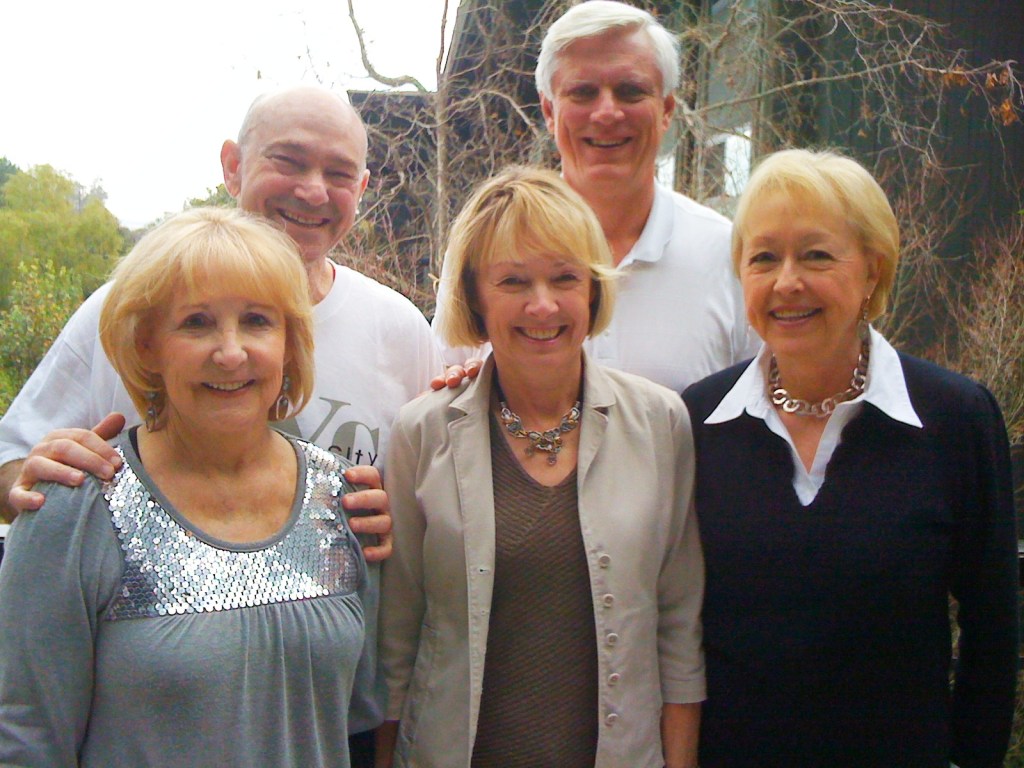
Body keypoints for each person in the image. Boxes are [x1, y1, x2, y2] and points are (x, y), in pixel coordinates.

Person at [0, 85, 444, 766]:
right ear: (233, 166)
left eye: (337, 172)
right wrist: (41, 488)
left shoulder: (399, 333)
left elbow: (433, 498)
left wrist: (395, 524)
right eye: (289, 161)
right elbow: (27, 726)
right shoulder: (123, 309)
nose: (231, 354)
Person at [682, 149, 1019, 767]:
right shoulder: (698, 421)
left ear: (872, 271)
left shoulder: (955, 419)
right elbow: (670, 626)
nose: (787, 282)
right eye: (763, 258)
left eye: (816, 255)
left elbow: (993, 627)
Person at [0, 208, 370, 767]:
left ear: (290, 342)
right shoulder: (74, 508)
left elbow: (362, 721)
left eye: (257, 321)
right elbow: (26, 741)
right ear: (147, 345)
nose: (231, 352)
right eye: (196, 323)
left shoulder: (341, 501)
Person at [377, 166, 705, 768]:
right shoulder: (422, 433)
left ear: (593, 291)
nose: (543, 304)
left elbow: (679, 630)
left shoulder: (660, 424)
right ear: (475, 298)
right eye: (513, 281)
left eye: (565, 277)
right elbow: (395, 644)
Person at [434, 0, 756, 393]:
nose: (606, 113)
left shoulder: (729, 257)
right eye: (583, 92)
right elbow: (441, 392)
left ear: (667, 109)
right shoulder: (487, 249)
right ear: (549, 111)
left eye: (630, 91)